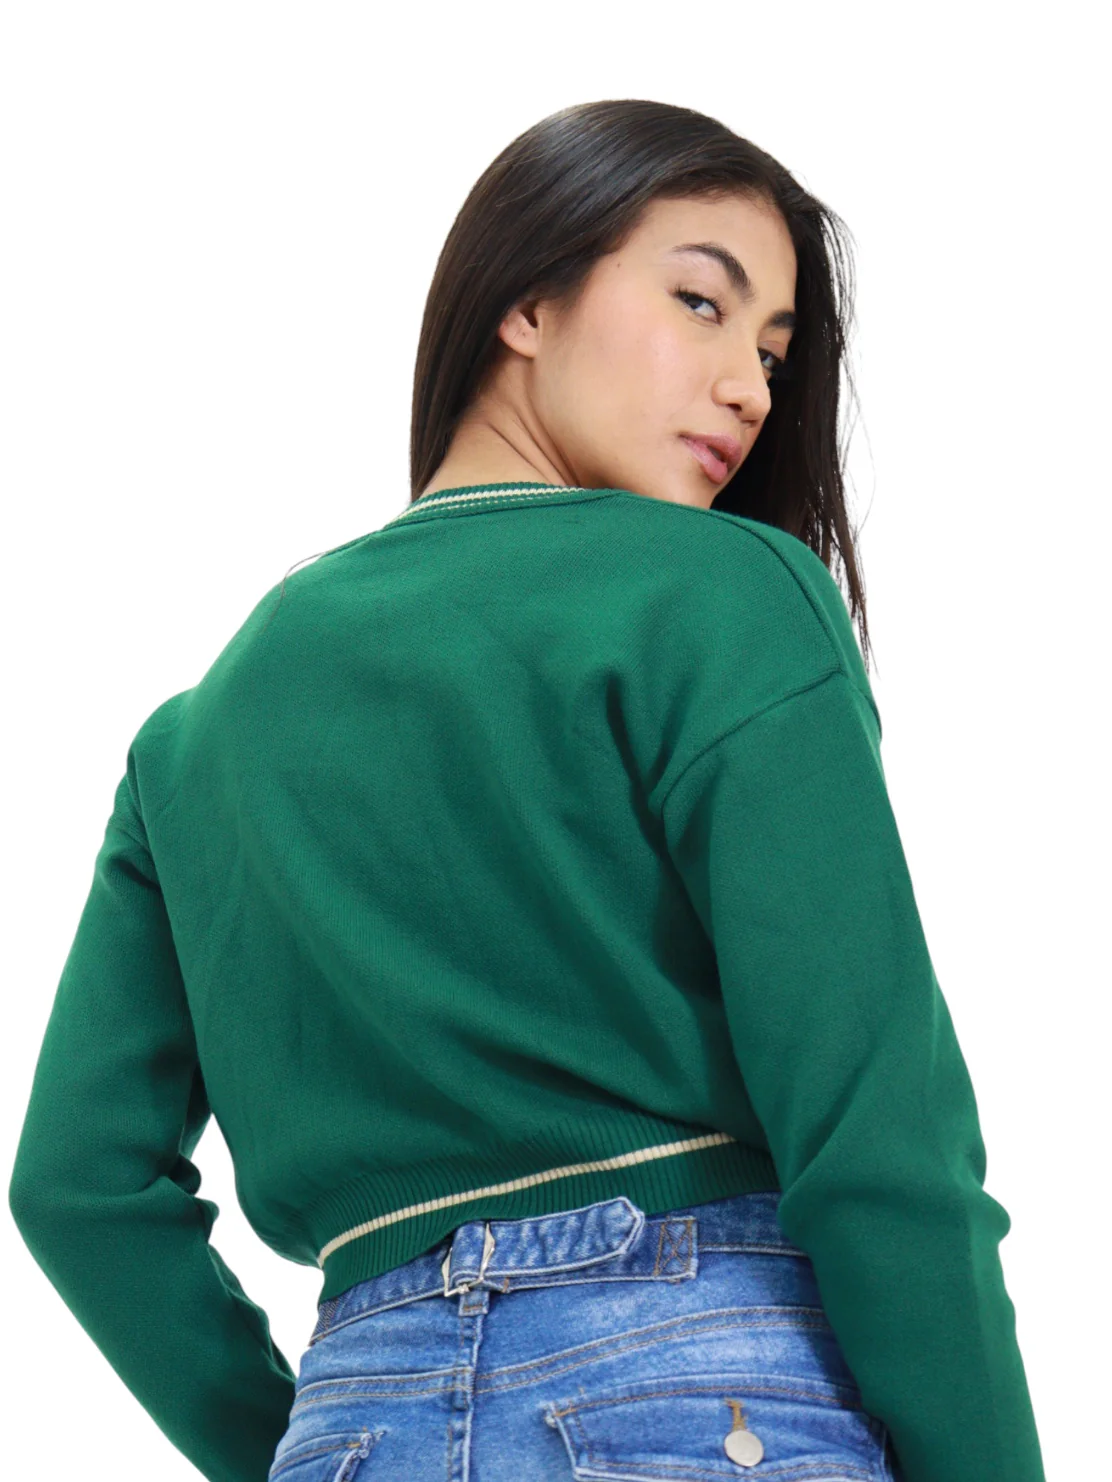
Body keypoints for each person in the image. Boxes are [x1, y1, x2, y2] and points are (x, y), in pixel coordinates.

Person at [8, 98, 1045, 1482]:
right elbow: (880, 1144)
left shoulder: (196, 736)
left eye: (771, 353)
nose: (749, 388)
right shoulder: (723, 599)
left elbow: (76, 1186)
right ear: (527, 301)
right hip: (703, 1395)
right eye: (701, 302)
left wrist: (321, 1439)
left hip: (356, 1421)